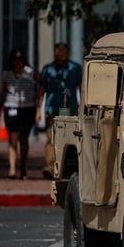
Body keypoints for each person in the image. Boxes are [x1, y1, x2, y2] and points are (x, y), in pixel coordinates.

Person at [36, 42, 83, 179]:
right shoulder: (48, 69)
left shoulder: (75, 68)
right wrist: (38, 110)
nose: (59, 54)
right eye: (57, 52)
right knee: (51, 139)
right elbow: (41, 90)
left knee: (70, 139)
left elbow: (81, 88)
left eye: (62, 52)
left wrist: (82, 107)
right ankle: (51, 167)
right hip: (52, 109)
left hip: (70, 109)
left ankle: (67, 166)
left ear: (67, 53)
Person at [0, 49, 41, 179]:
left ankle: (23, 167)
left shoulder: (30, 72)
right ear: (11, 61)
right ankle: (12, 168)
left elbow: (42, 84)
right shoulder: (7, 74)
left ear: (24, 60)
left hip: (27, 109)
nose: (17, 62)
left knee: (24, 139)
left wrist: (38, 104)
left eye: (20, 59)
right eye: (15, 59)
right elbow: (2, 93)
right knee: (12, 140)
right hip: (11, 108)